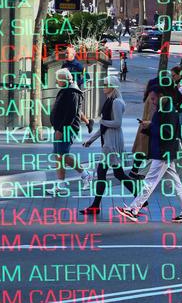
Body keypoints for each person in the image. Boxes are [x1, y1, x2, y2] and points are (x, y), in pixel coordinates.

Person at [116, 87, 182, 223]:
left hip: (163, 152)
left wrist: (150, 126)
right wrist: (151, 125)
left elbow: (167, 133)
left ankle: (133, 209)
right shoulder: (167, 107)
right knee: (176, 183)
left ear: (161, 96)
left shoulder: (167, 110)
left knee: (150, 181)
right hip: (166, 152)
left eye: (153, 98)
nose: (152, 101)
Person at [80, 76, 137, 215]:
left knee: (104, 173)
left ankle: (95, 206)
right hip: (108, 140)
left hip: (112, 142)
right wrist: (91, 140)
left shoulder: (116, 102)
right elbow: (104, 125)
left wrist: (103, 122)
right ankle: (141, 197)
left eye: (106, 84)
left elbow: (117, 123)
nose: (104, 86)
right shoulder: (110, 101)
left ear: (113, 86)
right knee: (118, 173)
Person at [47, 68, 93, 195]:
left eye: (58, 79)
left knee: (63, 155)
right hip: (60, 128)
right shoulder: (68, 90)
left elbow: (71, 114)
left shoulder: (72, 93)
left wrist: (61, 130)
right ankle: (61, 183)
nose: (57, 81)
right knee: (59, 155)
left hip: (66, 129)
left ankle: (85, 175)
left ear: (64, 79)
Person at [129, 77, 160, 180]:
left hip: (144, 126)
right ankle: (137, 173)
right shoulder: (152, 98)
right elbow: (152, 113)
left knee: (142, 150)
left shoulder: (148, 96)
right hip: (147, 127)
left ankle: (135, 171)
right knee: (145, 151)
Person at [62, 45, 94, 133]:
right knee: (69, 109)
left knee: (75, 110)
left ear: (73, 54)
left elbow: (87, 76)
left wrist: (78, 82)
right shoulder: (64, 65)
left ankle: (86, 123)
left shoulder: (78, 65)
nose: (65, 55)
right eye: (65, 53)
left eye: (67, 53)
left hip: (76, 91)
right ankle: (87, 122)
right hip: (66, 90)